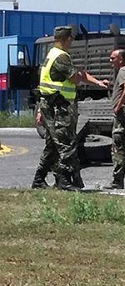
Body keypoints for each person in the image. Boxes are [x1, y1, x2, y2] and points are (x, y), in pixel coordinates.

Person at [31, 26, 109, 190]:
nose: (72, 42)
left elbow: (76, 73)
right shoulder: (61, 57)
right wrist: (80, 76)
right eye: (71, 39)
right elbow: (74, 78)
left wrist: (96, 82)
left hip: (52, 105)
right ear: (67, 39)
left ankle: (39, 179)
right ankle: (64, 181)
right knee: (66, 143)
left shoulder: (51, 55)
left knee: (52, 144)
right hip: (60, 107)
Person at [104, 50, 125, 190]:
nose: (110, 60)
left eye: (113, 58)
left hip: (123, 116)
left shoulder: (123, 71)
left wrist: (118, 106)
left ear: (121, 59)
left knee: (118, 147)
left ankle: (117, 181)